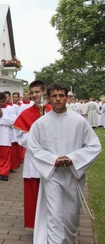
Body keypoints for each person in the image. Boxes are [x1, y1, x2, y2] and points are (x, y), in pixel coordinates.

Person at [28, 82, 101, 244]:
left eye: (61, 95)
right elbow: (33, 148)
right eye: (54, 96)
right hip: (52, 175)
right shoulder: (40, 123)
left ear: (67, 97)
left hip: (73, 175)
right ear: (48, 98)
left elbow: (94, 146)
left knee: (71, 216)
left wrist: (73, 159)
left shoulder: (79, 121)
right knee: (55, 216)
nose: (58, 99)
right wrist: (53, 160)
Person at [13, 80, 51, 228]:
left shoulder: (53, 110)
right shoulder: (26, 113)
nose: (35, 95)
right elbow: (20, 138)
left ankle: (51, 224)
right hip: (33, 159)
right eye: (32, 92)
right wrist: (35, 137)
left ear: (44, 91)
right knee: (33, 192)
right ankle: (37, 225)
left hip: (51, 158)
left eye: (37, 92)